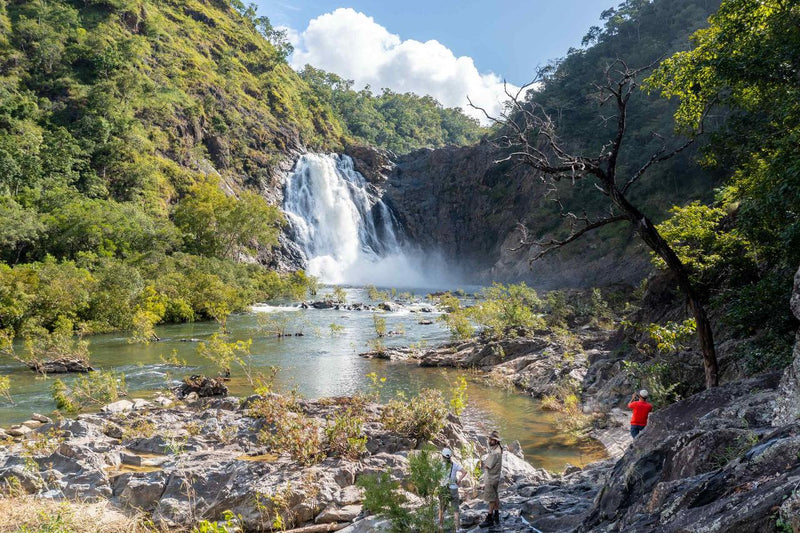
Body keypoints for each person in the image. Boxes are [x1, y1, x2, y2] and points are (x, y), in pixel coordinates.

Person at [479, 430, 503, 528]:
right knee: (495, 496)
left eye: (491, 439)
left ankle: (489, 518)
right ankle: (496, 514)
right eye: (490, 439)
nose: (489, 441)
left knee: (491, 498)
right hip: (496, 477)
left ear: (496, 441)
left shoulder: (494, 453)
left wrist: (482, 463)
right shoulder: (498, 448)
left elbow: (487, 466)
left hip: (491, 478)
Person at [438, 447, 467, 531]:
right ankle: (458, 529)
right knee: (456, 510)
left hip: (443, 488)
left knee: (442, 509)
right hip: (454, 488)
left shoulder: (440, 465)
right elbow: (464, 472)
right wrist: (458, 481)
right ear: (450, 456)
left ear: (442, 456)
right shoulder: (455, 465)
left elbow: (436, 476)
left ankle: (441, 527)